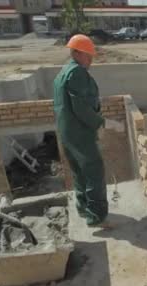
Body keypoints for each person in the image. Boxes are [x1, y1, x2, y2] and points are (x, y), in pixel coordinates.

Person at [53, 34, 118, 228]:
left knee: (79, 172)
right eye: (87, 56)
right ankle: (96, 216)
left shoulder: (62, 72)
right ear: (76, 53)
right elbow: (80, 107)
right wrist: (101, 122)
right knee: (94, 170)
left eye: (91, 56)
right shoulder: (76, 73)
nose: (90, 61)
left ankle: (83, 208)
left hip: (67, 133)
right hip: (80, 133)